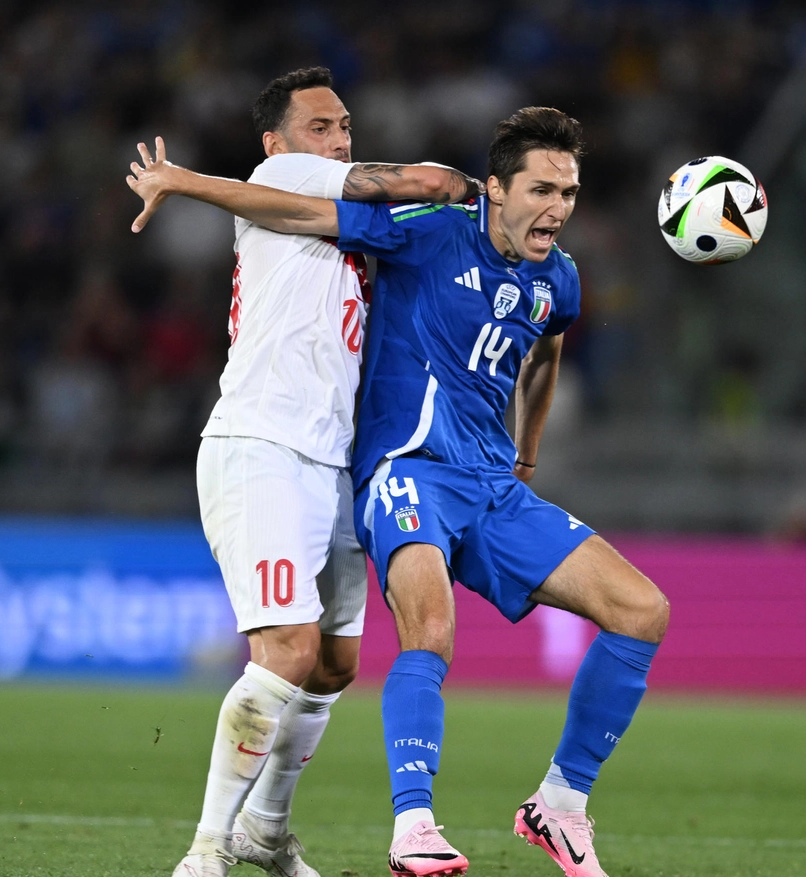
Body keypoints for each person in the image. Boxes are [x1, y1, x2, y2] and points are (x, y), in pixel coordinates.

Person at [128, 107, 669, 877]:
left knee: (643, 610)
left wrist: (528, 455)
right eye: (542, 189)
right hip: (406, 465)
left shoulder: (560, 277)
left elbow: (546, 352)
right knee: (431, 630)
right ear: (493, 189)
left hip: (490, 480)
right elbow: (298, 210)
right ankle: (413, 825)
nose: (558, 209)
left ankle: (560, 803)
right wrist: (186, 183)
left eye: (571, 192)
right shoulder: (430, 229)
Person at [128, 66, 480, 877]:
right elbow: (426, 180)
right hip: (263, 444)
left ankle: (265, 829)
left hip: (334, 463)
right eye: (321, 126)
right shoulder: (281, 179)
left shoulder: (353, 227)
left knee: (332, 662)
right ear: (275, 142)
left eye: (344, 125)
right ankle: (206, 851)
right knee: (285, 646)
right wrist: (473, 192)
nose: (340, 138)